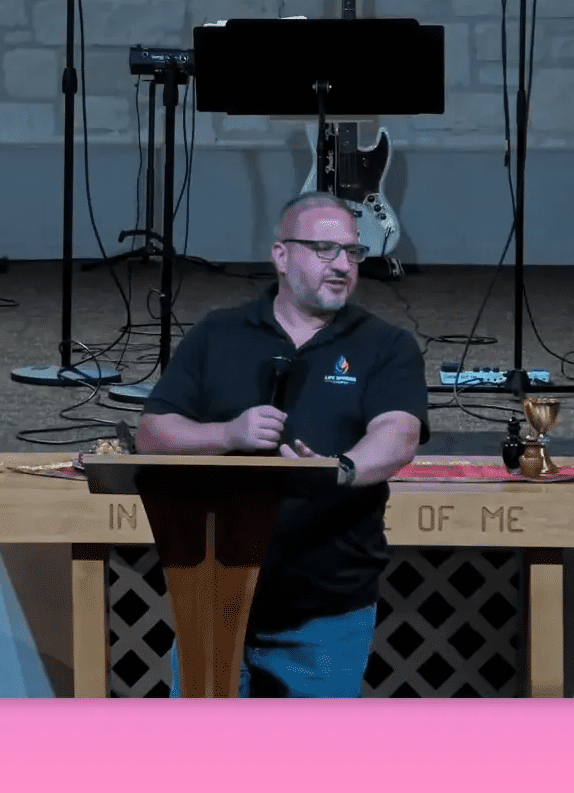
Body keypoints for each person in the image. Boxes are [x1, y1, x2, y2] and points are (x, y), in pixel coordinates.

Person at [136, 192, 429, 697]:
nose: (342, 265)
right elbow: (152, 433)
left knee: (310, 772)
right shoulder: (219, 334)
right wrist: (226, 434)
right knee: (204, 770)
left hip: (325, 611)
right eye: (324, 249)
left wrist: (341, 467)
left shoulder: (385, 345)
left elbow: (398, 433)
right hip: (213, 599)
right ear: (281, 255)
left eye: (353, 253)